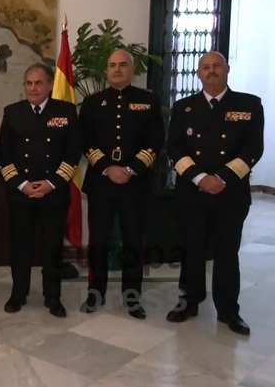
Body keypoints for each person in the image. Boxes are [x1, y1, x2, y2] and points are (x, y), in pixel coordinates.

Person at [165, 51, 263, 336]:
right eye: (205, 67)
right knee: (192, 248)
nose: (211, 71)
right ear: (198, 73)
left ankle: (229, 309)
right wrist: (199, 178)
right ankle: (190, 300)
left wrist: (222, 178)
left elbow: (253, 149)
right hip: (193, 192)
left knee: (227, 252)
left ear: (227, 69)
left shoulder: (249, 105)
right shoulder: (184, 108)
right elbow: (175, 149)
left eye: (216, 66)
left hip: (230, 193)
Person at [79, 48, 164, 319]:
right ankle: (96, 292)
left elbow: (155, 143)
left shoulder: (148, 101)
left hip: (135, 183)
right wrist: (107, 168)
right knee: (99, 240)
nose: (117, 69)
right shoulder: (93, 103)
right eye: (112, 65)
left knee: (132, 241)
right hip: (101, 182)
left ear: (132, 69)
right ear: (106, 70)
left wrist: (128, 169)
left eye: (122, 65)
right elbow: (86, 142)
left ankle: (132, 297)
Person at [0, 63, 81, 318]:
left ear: (49, 85)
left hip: (53, 193)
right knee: (20, 247)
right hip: (21, 193)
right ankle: (18, 293)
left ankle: (52, 296)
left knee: (52, 248)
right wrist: (22, 185)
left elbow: (72, 153)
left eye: (38, 83)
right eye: (29, 83)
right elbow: (4, 155)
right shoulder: (12, 112)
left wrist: (51, 183)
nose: (33, 88)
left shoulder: (65, 111)